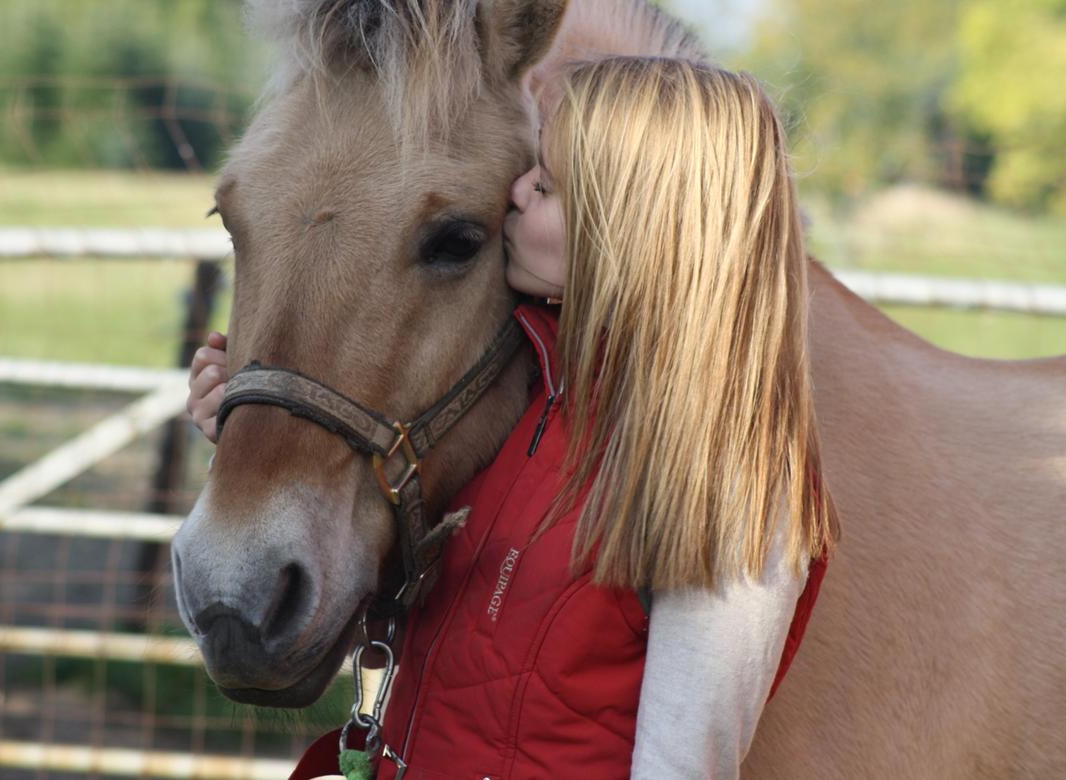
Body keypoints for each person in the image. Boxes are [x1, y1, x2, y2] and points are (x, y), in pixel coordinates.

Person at [188, 57, 838, 779]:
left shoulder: (727, 488)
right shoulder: (530, 399)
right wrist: (258, 421)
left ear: (634, 234)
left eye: (549, 185)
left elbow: (684, 763)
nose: (516, 192)